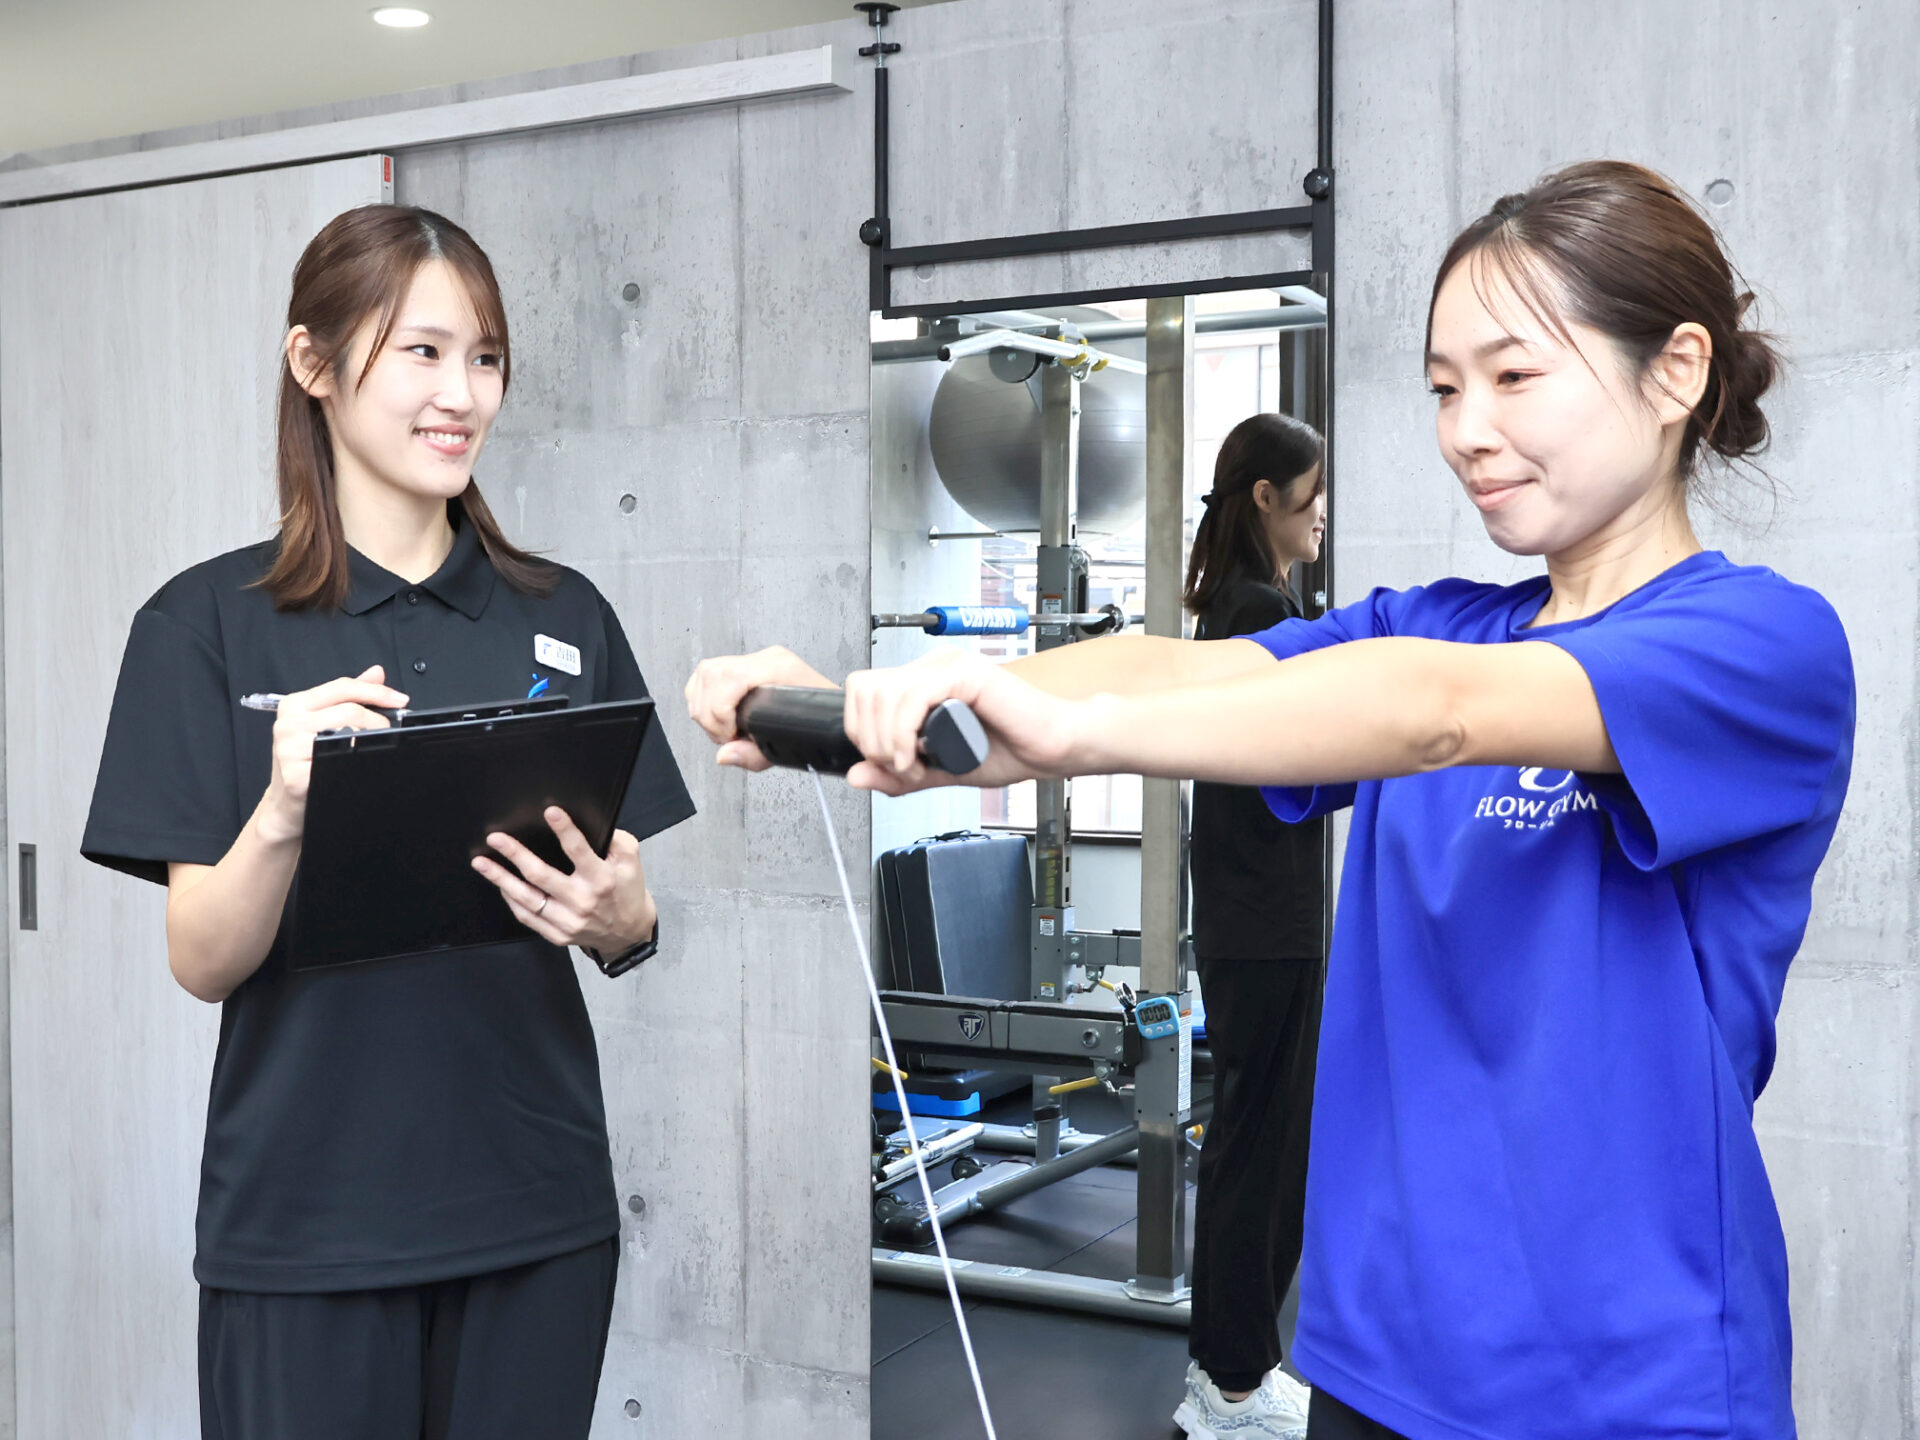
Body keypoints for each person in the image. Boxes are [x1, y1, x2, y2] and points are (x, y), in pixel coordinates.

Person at [687, 161, 1854, 1440]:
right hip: (1372, 1357)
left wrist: (1072, 734)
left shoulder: (1760, 647)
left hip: (1627, 1383)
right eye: (1444, 388)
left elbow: (1438, 711)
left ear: (1675, 372)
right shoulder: (1442, 620)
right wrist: (874, 698)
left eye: (1514, 376)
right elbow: (1186, 669)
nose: (1466, 429)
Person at [81, 205, 695, 1440]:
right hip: (303, 1227)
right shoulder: (201, 625)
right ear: (313, 363)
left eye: (485, 357)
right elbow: (202, 961)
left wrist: (625, 923)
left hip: (537, 1215)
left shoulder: (564, 613)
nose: (462, 394)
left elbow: (622, 911)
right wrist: (282, 808)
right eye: (422, 351)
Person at [1176, 412, 1328, 1440]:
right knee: (1260, 1149)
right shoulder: (1253, 614)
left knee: (1260, 1141)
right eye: (1310, 495)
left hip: (1260, 915)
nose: (1321, 514)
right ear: (1266, 498)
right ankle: (1231, 1384)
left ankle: (1230, 1369)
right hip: (1264, 919)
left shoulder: (1254, 603)